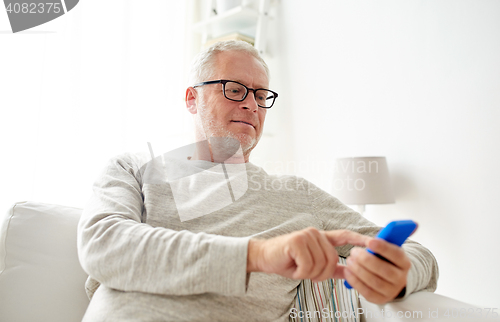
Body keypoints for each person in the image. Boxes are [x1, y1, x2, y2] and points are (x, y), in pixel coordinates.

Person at [77, 40, 438, 322]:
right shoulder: (134, 169)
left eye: (261, 94)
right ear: (192, 99)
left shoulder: (297, 195)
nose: (251, 104)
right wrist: (258, 255)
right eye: (234, 89)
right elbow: (104, 244)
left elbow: (417, 254)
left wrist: (398, 273)